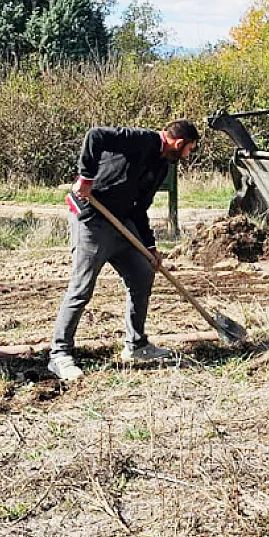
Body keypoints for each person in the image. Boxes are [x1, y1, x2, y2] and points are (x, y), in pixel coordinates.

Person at [48, 120, 200, 381]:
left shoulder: (162, 165)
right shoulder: (141, 139)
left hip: (122, 222)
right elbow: (95, 135)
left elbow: (140, 208)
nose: (187, 156)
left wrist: (150, 246)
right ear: (179, 143)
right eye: (189, 150)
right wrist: (86, 178)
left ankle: (137, 345)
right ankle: (59, 355)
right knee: (82, 288)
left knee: (142, 273)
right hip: (92, 218)